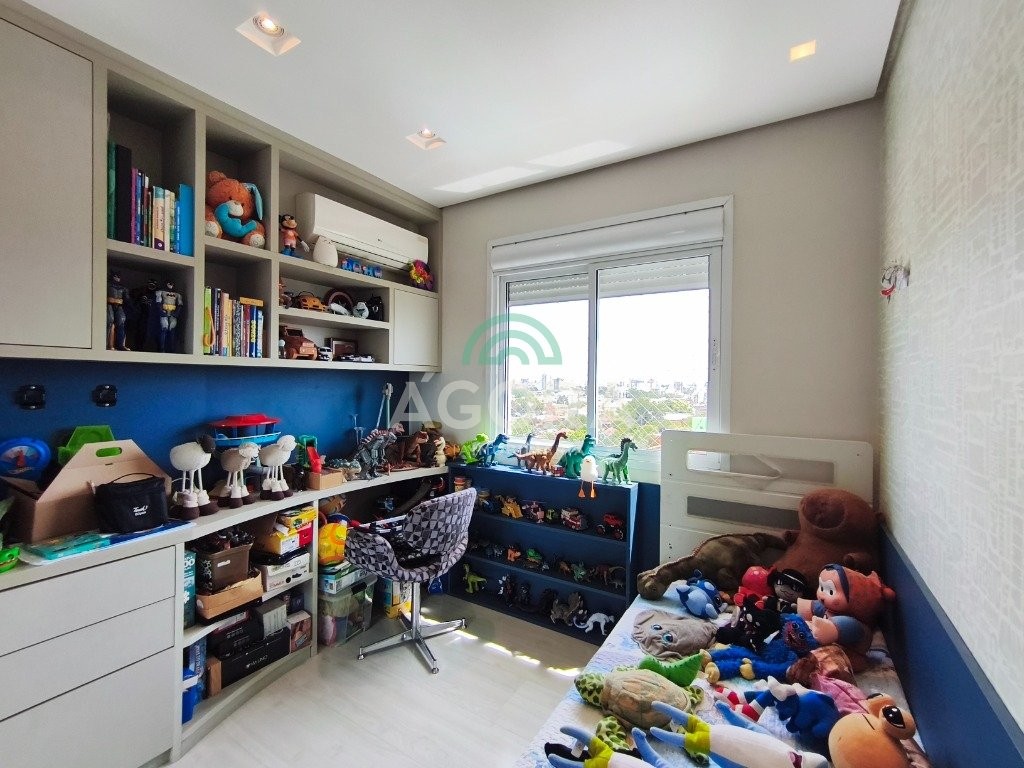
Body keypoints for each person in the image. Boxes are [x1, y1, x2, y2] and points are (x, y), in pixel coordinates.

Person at [155, 278, 184, 352]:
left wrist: (177, 312)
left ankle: (172, 349)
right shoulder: (161, 292)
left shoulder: (177, 294)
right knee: (164, 329)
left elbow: (180, 304)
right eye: (169, 283)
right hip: (164, 312)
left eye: (172, 283)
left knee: (172, 330)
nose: (171, 285)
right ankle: (162, 348)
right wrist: (161, 311)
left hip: (173, 313)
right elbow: (158, 302)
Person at [107, 271, 131, 350]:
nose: (117, 278)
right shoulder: (107, 285)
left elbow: (127, 300)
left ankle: (120, 345)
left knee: (121, 322)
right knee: (110, 322)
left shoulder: (123, 288)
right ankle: (108, 345)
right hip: (109, 304)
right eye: (115, 276)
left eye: (118, 277)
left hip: (119, 306)